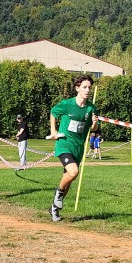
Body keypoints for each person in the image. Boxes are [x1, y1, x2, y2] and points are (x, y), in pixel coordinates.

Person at [49, 75, 99, 222]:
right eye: (84, 87)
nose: (87, 90)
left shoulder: (91, 108)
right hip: (64, 144)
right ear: (77, 88)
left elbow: (93, 128)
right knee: (73, 172)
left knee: (70, 178)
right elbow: (53, 112)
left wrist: (95, 123)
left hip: (78, 147)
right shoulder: (67, 104)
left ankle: (54, 208)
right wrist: (53, 131)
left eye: (89, 87)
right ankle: (58, 193)